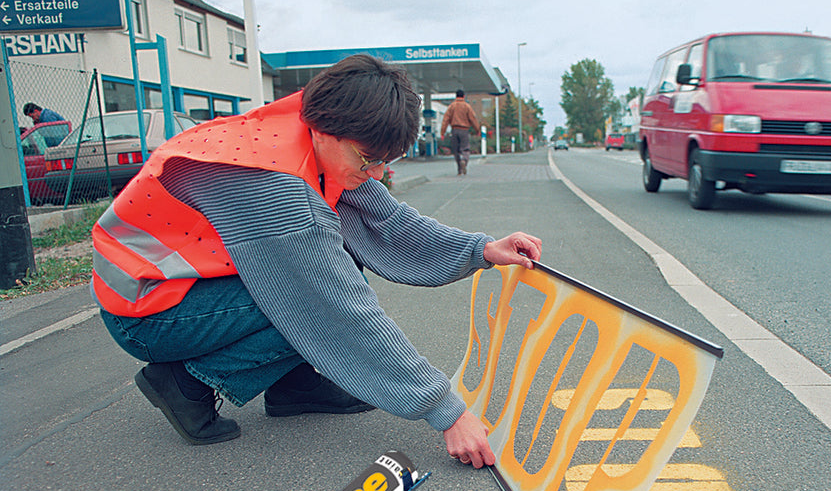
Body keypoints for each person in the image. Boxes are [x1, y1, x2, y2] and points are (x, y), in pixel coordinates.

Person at [91, 54, 541, 468]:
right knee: (314, 288)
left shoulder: (312, 130)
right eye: (370, 159)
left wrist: (480, 250)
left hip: (180, 287)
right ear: (327, 130)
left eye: (386, 161)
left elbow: (386, 222)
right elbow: (336, 308)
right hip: (146, 313)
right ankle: (188, 380)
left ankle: (295, 385)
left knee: (336, 255)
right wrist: (447, 412)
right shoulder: (276, 182)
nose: (378, 173)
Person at [440, 89, 479, 175]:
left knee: (456, 150)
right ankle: (464, 160)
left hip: (454, 130)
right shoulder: (467, 106)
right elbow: (473, 119)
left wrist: (442, 132)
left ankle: (459, 169)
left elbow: (445, 120)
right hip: (464, 130)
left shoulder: (451, 106)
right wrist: (477, 130)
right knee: (465, 148)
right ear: (463, 96)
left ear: (456, 96)